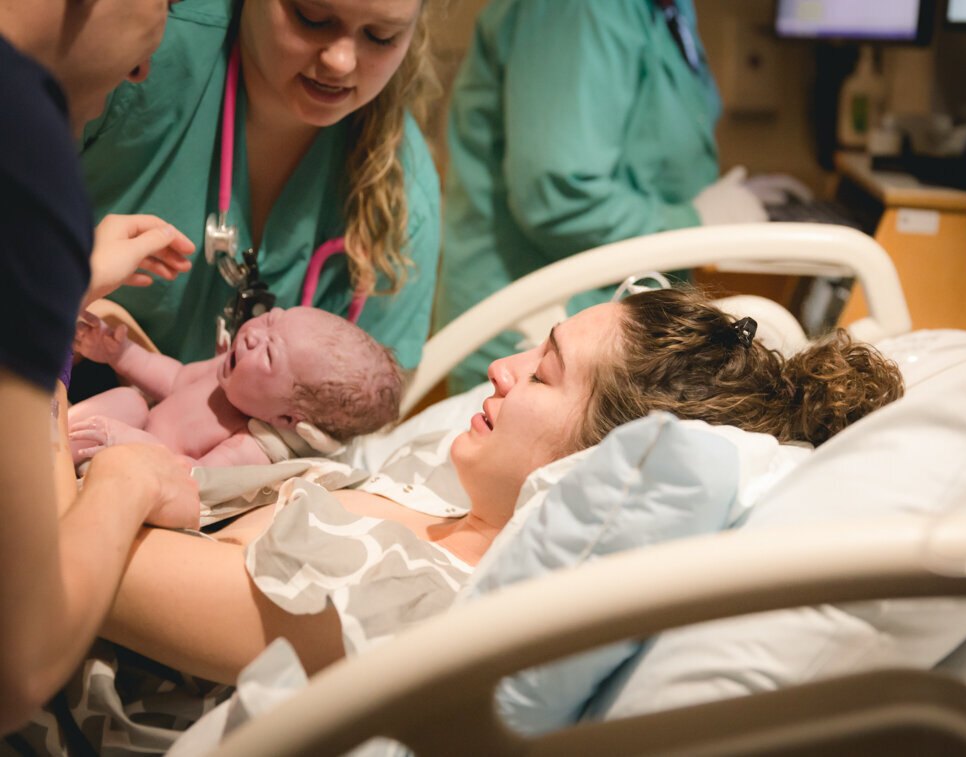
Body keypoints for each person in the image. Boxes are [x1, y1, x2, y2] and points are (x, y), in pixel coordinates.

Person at [10, 286, 903, 752]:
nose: (504, 368)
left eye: (545, 372)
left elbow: (53, 583)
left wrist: (109, 461)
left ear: (599, 453)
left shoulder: (402, 594)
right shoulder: (433, 496)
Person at [0, 0, 203, 736]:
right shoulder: (21, 139)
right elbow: (15, 663)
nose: (145, 67)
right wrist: (127, 479)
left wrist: (56, 284)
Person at [434, 0, 783, 394]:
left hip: (608, 339)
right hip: (535, 353)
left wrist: (711, 206)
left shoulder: (667, 9)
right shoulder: (584, 10)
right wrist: (694, 221)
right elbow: (559, 197)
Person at [77, 0, 442, 374]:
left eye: (381, 36)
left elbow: (369, 408)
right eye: (312, 18)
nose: (341, 61)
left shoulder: (403, 201)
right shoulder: (140, 59)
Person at [68, 306, 401, 467]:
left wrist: (131, 443)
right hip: (98, 443)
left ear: (285, 419)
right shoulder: (228, 373)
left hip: (129, 470)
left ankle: (46, 452)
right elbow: (175, 379)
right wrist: (120, 353)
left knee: (132, 404)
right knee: (131, 401)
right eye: (271, 318)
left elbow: (194, 480)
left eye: (269, 355)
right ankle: (46, 436)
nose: (253, 334)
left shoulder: (250, 445)